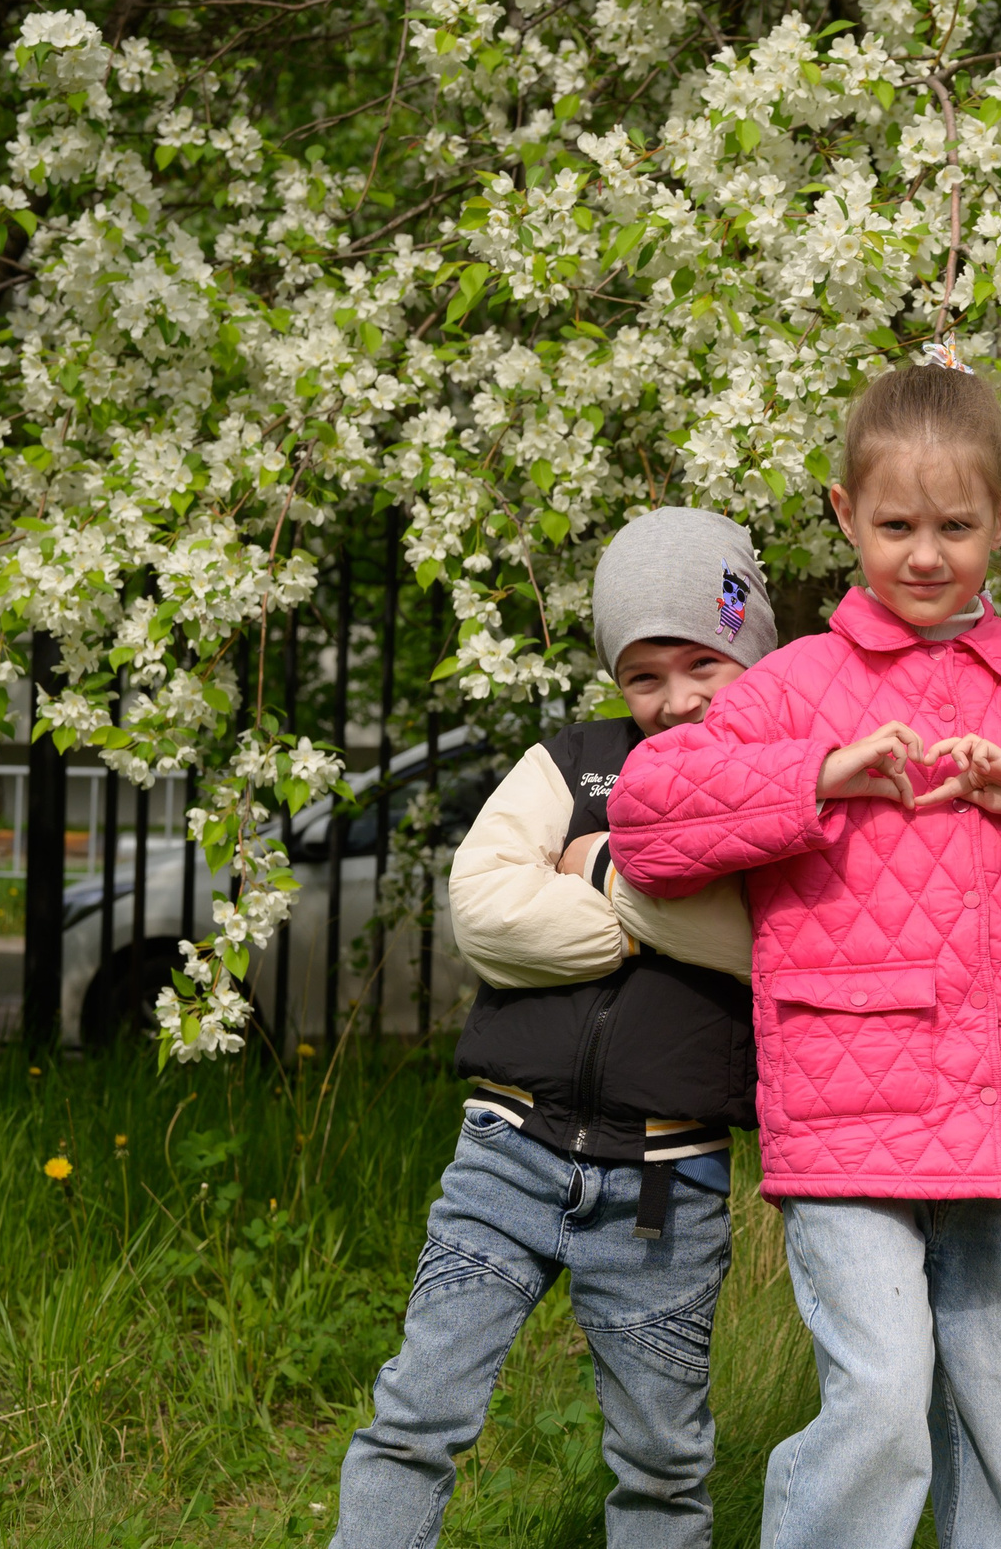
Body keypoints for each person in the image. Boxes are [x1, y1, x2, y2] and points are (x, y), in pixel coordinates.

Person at [604, 351, 1001, 1549]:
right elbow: (649, 816)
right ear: (844, 515)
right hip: (847, 1115)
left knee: (994, 1412)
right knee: (881, 1401)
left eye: (955, 524)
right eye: (893, 524)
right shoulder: (791, 687)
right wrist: (816, 774)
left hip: (1000, 1112)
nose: (924, 554)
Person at [332, 506, 777, 1549]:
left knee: (663, 1458)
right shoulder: (573, 763)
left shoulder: (781, 795)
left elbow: (765, 938)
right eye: (643, 674)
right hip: (506, 1150)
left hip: (668, 1181)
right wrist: (650, 923)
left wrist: (597, 869)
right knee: (418, 1410)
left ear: (750, 644)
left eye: (702, 663)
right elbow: (485, 906)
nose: (673, 701)